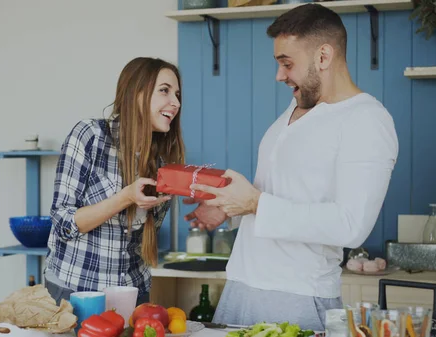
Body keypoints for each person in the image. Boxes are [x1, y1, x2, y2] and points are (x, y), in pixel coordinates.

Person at [184, 4, 398, 331]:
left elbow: (351, 224)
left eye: (287, 63)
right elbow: (280, 191)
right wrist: (231, 209)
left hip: (297, 298)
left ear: (323, 57)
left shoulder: (366, 120)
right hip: (241, 286)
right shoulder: (295, 109)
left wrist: (255, 203)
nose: (279, 75)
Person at [44, 57, 185, 306]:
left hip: (133, 293)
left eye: (177, 94)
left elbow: (144, 238)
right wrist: (125, 198)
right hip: (76, 292)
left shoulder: (160, 162)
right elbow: (63, 223)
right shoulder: (90, 136)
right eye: (164, 91)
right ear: (137, 93)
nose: (176, 102)